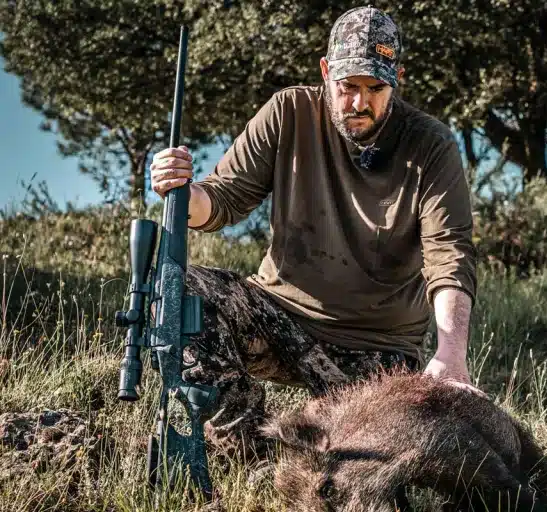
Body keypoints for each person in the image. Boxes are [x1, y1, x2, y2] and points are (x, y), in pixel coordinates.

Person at [149, 5, 479, 457]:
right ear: (325, 72)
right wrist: (183, 191)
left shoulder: (433, 144)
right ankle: (250, 447)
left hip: (377, 347)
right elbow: (223, 199)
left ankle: (314, 441)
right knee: (180, 290)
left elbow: (450, 255)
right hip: (278, 312)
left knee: (366, 452)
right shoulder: (287, 111)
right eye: (347, 87)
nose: (359, 103)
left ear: (397, 78)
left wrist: (451, 356)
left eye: (375, 88)